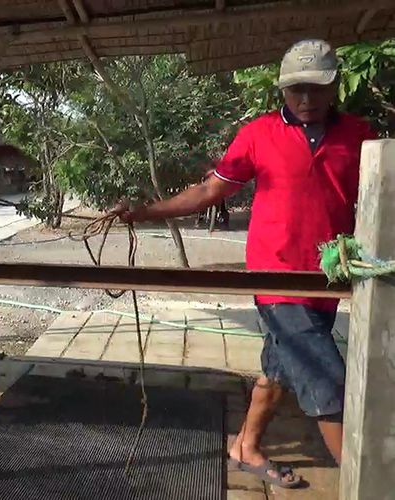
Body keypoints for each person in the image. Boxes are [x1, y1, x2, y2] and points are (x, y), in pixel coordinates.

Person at [112, 39, 377, 488]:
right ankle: (365, 485)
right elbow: (207, 192)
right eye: (297, 90)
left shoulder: (359, 136)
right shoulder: (258, 134)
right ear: (282, 90)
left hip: (327, 277)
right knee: (327, 379)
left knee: (278, 368)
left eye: (317, 88)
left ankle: (245, 446)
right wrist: (143, 212)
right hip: (274, 277)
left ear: (334, 87)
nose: (307, 99)